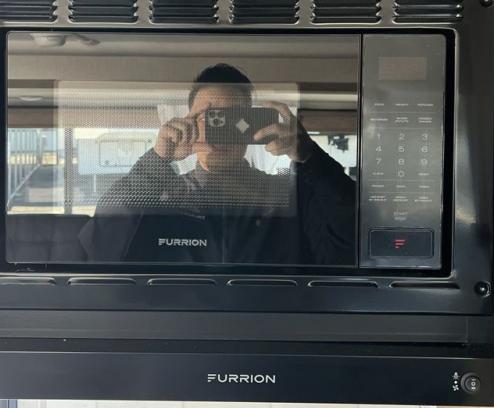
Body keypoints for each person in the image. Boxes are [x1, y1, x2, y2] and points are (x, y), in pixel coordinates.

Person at [79, 64, 356, 265]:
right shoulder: (159, 196)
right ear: (187, 121)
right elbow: (102, 249)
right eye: (208, 118)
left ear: (251, 126)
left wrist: (311, 157)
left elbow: (352, 240)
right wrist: (157, 160)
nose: (219, 130)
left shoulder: (288, 195)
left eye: (234, 120)